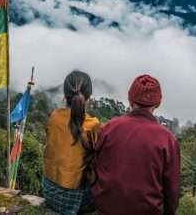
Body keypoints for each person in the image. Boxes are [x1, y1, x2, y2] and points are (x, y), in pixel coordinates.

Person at [92, 74, 181, 215]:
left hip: (106, 209)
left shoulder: (109, 127)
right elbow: (172, 190)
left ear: (130, 99)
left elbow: (96, 167)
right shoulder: (168, 140)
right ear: (158, 103)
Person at [43, 70, 101, 215]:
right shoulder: (92, 124)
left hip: (49, 188)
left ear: (65, 93)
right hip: (75, 195)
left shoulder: (54, 116)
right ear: (88, 96)